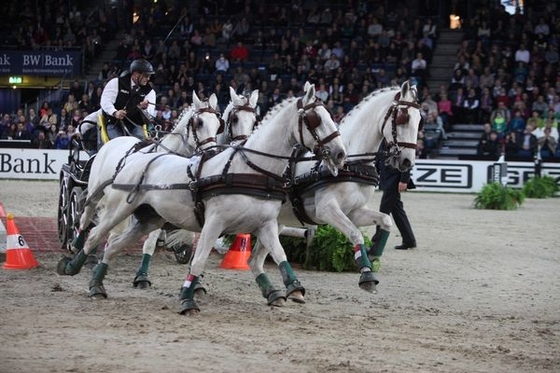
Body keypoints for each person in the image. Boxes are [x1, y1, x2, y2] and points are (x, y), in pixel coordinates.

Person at [369, 141, 417, 270]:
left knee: (383, 211)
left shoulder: (398, 140)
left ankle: (376, 243)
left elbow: (406, 160)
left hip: (395, 181)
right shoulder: (383, 140)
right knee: (397, 211)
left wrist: (404, 180)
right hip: (387, 180)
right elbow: (380, 159)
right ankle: (409, 240)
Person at [99, 59, 156, 148]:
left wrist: (143, 109)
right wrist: (115, 112)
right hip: (115, 124)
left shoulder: (149, 92)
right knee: (118, 146)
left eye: (149, 76)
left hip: (136, 125)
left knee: (141, 146)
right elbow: (105, 101)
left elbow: (150, 114)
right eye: (146, 76)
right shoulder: (116, 83)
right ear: (136, 74)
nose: (148, 79)